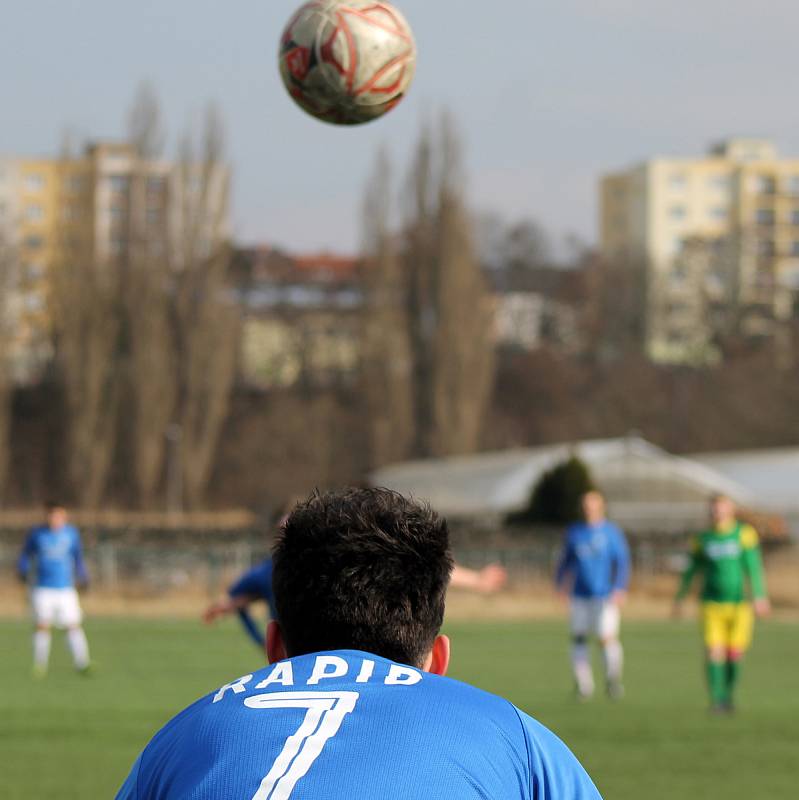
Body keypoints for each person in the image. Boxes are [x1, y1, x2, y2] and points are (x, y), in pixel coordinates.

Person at [117, 488, 601, 799]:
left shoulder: (178, 740)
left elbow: (236, 595)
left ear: (274, 648)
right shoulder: (516, 739)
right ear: (438, 660)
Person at [673, 494, 770, 714]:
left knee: (734, 653)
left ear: (731, 510)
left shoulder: (744, 534)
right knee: (713, 651)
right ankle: (716, 700)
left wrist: (760, 596)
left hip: (739, 605)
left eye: (721, 508)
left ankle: (729, 696)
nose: (717, 512)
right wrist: (680, 597)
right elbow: (691, 571)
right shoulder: (703, 539)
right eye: (713, 509)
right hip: (711, 604)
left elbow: (753, 567)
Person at [555, 490, 630, 700]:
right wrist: (561, 585)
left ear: (601, 506)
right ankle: (583, 685)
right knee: (578, 638)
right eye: (586, 504)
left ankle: (612, 680)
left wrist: (620, 587)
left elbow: (622, 562)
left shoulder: (611, 533)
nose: (589, 508)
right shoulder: (575, 532)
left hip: (604, 596)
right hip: (580, 595)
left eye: (593, 504)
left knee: (606, 638)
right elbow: (565, 561)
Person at [17, 501, 92, 677]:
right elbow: (25, 555)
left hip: (66, 588)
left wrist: (84, 576)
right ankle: (39, 665)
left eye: (59, 515)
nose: (55, 519)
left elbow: (78, 557)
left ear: (64, 517)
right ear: (47, 516)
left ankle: (82, 663)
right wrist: (22, 570)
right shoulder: (37, 534)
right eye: (52, 515)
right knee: (42, 625)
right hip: (42, 588)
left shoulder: (71, 534)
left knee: (73, 625)